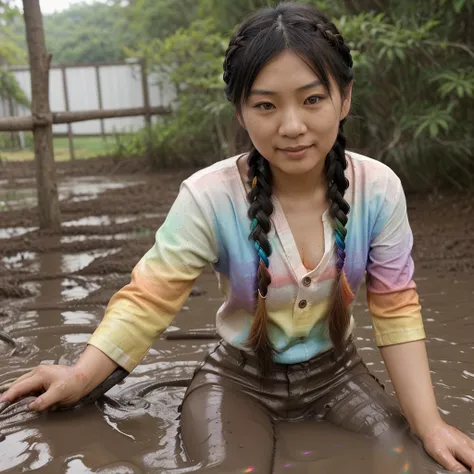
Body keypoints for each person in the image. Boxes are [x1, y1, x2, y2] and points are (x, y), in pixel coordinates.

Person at [1, 3, 473, 473]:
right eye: (265, 105)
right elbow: (148, 300)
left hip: (339, 377)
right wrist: (82, 375)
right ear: (241, 112)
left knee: (411, 460)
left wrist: (430, 424)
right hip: (237, 382)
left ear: (344, 99)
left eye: (312, 100)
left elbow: (396, 308)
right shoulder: (209, 196)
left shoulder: (379, 189)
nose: (291, 126)